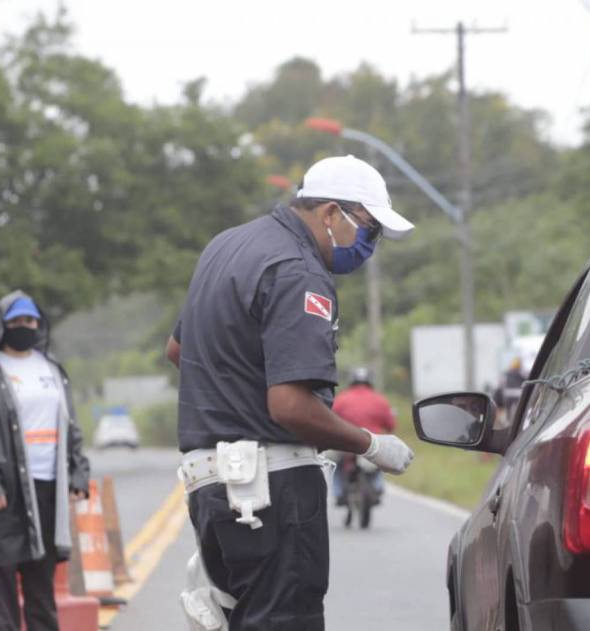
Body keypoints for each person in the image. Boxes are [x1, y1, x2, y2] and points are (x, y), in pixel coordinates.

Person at [167, 155, 416, 630]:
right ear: (329, 214)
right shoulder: (299, 270)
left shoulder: (226, 246)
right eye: (368, 228)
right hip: (271, 491)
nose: (370, 244)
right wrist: (371, 444)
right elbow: (289, 406)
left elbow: (179, 348)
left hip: (211, 488)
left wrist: (235, 393)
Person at [0, 291, 91, 631]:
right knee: (0, 579)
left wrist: (78, 473)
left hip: (47, 487)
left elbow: (70, 425)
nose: (23, 326)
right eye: (15, 321)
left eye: (29, 321)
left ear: (39, 324)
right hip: (5, 490)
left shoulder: (52, 369)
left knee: (41, 581)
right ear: (1, 326)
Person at [330, 367, 396, 505]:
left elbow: (330, 420)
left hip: (346, 443)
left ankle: (338, 493)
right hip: (372, 443)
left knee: (336, 465)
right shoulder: (380, 400)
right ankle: (378, 488)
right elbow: (390, 425)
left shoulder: (341, 398)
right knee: (379, 464)